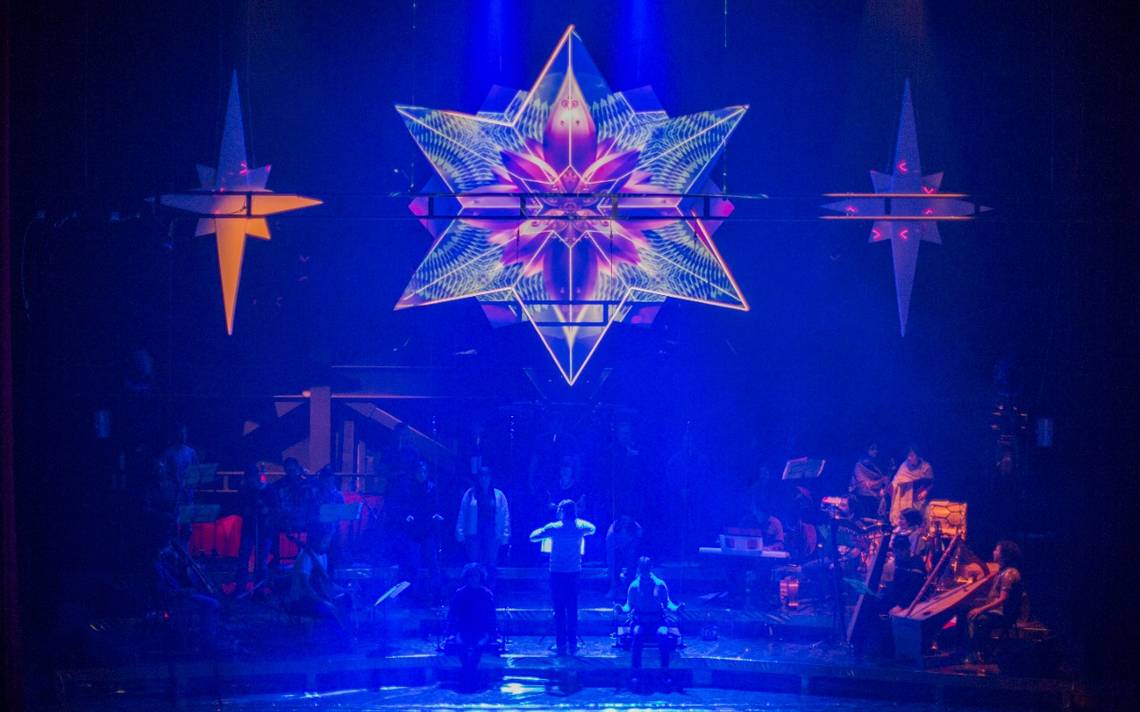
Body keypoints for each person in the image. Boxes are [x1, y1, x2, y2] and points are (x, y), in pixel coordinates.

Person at [529, 499, 597, 655]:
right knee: (572, 609)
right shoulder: (580, 526)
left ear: (562, 511)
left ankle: (561, 644)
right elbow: (593, 529)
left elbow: (532, 537)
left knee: (559, 609)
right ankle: (572, 643)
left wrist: (545, 529)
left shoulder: (554, 527)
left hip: (557, 573)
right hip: (574, 573)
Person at [616, 557, 681, 680]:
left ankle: (665, 670)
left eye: (646, 568)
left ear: (651, 568)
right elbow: (628, 605)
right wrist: (621, 609)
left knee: (663, 634)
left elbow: (667, 603)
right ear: (639, 569)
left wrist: (677, 608)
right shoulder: (634, 586)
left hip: (657, 621)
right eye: (642, 569)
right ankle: (636, 671)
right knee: (637, 634)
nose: (644, 571)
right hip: (640, 621)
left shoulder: (660, 584)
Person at [966, 540, 1025, 663]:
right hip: (996, 612)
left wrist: (980, 609)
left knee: (980, 618)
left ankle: (980, 652)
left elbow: (1003, 599)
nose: (994, 552)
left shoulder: (1009, 573)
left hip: (1003, 614)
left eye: (997, 550)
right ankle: (971, 650)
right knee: (965, 611)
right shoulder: (1002, 572)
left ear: (1004, 555)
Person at [285, 527, 351, 632]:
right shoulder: (306, 557)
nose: (327, 545)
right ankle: (337, 637)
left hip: (315, 597)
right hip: (301, 599)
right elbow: (306, 587)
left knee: (346, 601)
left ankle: (345, 634)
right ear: (316, 540)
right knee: (331, 610)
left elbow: (326, 583)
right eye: (324, 542)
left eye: (328, 542)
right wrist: (323, 601)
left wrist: (346, 590)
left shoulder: (322, 555)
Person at [456, 466, 510, 588]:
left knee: (491, 563)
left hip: (492, 533)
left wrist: (505, 534)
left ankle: (490, 589)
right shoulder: (470, 494)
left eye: (486, 476)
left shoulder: (499, 495)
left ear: (490, 478)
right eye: (481, 476)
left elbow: (505, 515)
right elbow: (463, 513)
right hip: (473, 533)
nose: (484, 479)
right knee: (474, 564)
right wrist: (460, 531)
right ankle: (474, 589)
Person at [446, 562, 497, 690]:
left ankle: (469, 676)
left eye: (476, 576)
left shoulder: (486, 594)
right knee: (461, 646)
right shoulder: (460, 593)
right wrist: (451, 632)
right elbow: (452, 614)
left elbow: (491, 616)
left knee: (479, 646)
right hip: (464, 629)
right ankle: (468, 676)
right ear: (467, 578)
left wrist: (493, 633)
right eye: (471, 576)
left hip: (481, 630)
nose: (473, 579)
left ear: (480, 578)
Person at [888, 447, 934, 526]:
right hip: (906, 498)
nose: (909, 458)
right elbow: (897, 480)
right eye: (908, 456)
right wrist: (890, 488)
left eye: (912, 456)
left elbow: (932, 483)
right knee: (905, 520)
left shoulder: (926, 467)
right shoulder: (905, 465)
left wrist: (925, 492)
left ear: (918, 456)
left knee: (922, 522)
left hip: (921, 498)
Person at [606, 515, 643, 601]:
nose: (624, 539)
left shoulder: (637, 531)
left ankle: (629, 588)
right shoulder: (611, 536)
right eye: (621, 537)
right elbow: (611, 562)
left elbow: (632, 562)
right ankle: (614, 587)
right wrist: (613, 584)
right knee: (615, 565)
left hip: (631, 546)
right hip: (615, 546)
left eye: (626, 537)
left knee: (632, 563)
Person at [849, 443, 888, 519]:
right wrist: (881, 480)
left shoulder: (874, 464)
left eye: (876, 449)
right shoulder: (859, 465)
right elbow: (865, 484)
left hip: (876, 496)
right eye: (872, 449)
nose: (876, 451)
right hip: (864, 497)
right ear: (866, 450)